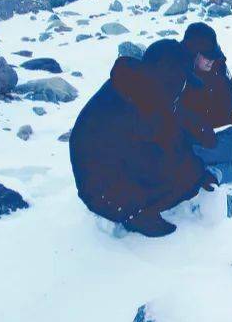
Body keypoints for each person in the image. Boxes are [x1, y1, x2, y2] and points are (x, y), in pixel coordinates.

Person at [69, 40, 215, 237]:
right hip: (101, 191)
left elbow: (168, 132)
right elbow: (152, 158)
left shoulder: (140, 87)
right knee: (185, 178)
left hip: (110, 172)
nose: (183, 86)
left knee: (186, 164)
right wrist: (196, 173)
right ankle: (137, 215)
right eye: (182, 79)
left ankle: (134, 206)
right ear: (169, 75)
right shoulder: (133, 106)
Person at [178, 22, 232, 138]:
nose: (211, 60)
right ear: (193, 52)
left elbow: (230, 93)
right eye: (207, 56)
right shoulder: (177, 71)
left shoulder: (218, 64)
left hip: (224, 130)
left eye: (213, 56)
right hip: (193, 138)